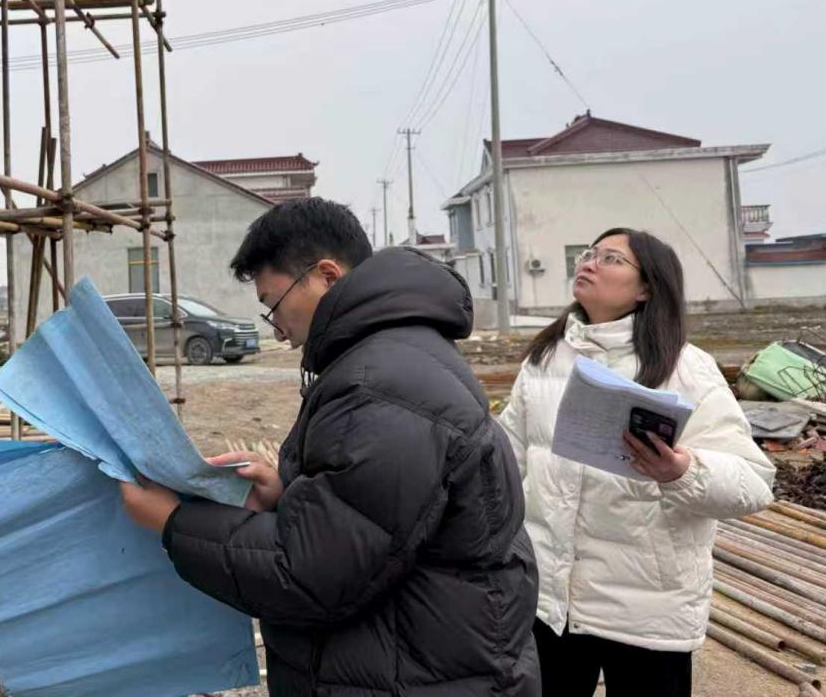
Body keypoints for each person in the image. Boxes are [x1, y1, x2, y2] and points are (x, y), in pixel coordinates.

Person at [119, 197, 540, 696]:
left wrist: (174, 521)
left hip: (417, 676)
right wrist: (288, 491)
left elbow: (309, 574)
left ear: (326, 276)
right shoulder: (394, 355)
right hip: (412, 660)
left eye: (274, 304)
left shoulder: (382, 387)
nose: (277, 327)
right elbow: (375, 521)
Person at [498, 227, 775, 697]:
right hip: (549, 604)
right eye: (588, 253)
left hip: (646, 611)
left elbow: (753, 483)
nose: (589, 263)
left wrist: (682, 471)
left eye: (611, 258)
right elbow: (507, 461)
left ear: (647, 287)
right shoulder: (544, 361)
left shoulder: (687, 368)